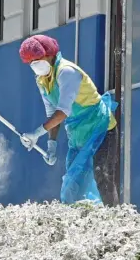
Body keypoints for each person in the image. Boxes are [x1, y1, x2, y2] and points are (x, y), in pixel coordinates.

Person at [18, 34, 120, 207]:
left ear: (50, 54)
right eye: (31, 62)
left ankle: (116, 219)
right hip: (78, 135)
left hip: (101, 129)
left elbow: (62, 111)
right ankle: (82, 226)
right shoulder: (42, 80)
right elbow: (52, 112)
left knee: (101, 175)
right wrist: (51, 143)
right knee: (73, 184)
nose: (35, 64)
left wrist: (37, 133)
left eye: (38, 59)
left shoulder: (67, 72)